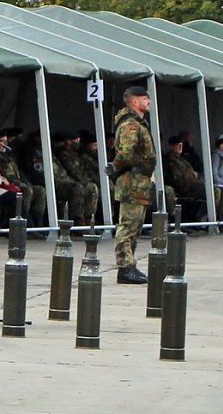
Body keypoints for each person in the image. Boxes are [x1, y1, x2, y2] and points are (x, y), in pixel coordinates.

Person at [110, 87, 155, 284]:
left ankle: (129, 265)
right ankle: (125, 267)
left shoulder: (138, 123)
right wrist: (116, 168)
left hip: (139, 182)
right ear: (134, 101)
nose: (149, 101)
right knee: (128, 226)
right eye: (145, 98)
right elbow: (126, 155)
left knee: (134, 227)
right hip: (132, 182)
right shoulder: (131, 125)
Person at [53, 129, 99, 225]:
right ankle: (78, 221)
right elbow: (72, 171)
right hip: (65, 183)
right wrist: (83, 182)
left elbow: (84, 170)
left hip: (75, 181)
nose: (78, 143)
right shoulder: (63, 154)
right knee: (79, 188)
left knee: (92, 187)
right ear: (69, 141)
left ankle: (89, 220)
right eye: (75, 140)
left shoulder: (75, 154)